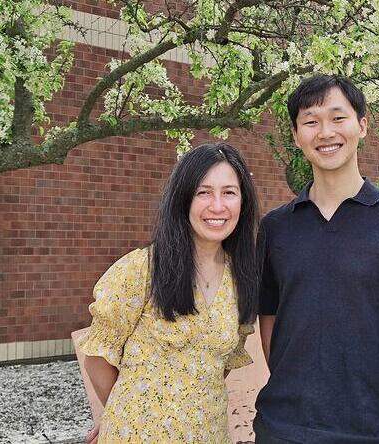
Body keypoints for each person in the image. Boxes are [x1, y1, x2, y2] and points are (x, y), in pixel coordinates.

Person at [254, 75, 379, 444]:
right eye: (311, 121)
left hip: (370, 428)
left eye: (338, 118)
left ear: (362, 125)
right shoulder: (276, 228)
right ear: (296, 135)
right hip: (282, 427)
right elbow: (270, 321)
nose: (325, 132)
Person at [80, 143, 260, 443]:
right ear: (183, 198)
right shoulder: (142, 269)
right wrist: (120, 413)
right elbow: (98, 358)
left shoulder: (243, 279)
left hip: (209, 434)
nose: (217, 206)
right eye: (203, 192)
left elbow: (218, 365)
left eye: (229, 192)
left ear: (243, 201)